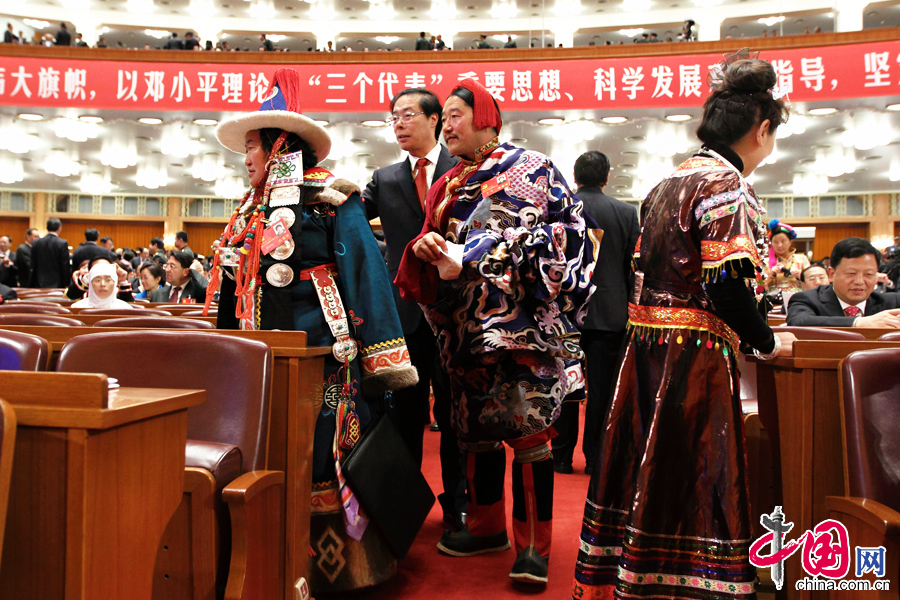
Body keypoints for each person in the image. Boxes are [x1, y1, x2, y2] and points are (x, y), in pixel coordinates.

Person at [572, 56, 797, 600]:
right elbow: (724, 286)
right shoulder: (726, 183)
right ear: (762, 130)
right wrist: (765, 342)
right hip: (692, 354)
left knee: (649, 468)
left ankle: (639, 576)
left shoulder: (671, 178)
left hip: (646, 348)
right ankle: (693, 585)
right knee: (697, 471)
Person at [206, 68, 417, 593]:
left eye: (253, 147)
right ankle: (268, 557)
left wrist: (384, 361)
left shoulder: (331, 200)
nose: (247, 158)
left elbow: (366, 274)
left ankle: (339, 569)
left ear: (281, 146)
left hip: (324, 360)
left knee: (325, 453)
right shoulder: (248, 212)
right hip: (260, 360)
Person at [395, 78, 598, 584]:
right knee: (474, 431)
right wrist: (428, 252)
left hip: (524, 332)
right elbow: (435, 243)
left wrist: (484, 252)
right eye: (444, 118)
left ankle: (535, 547)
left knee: (529, 432)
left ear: (486, 116)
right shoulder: (447, 185)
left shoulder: (533, 167)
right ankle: (485, 526)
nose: (448, 125)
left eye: (456, 114)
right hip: (462, 332)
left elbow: (569, 240)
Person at [363, 87, 466, 530]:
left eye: (407, 115)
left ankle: (457, 504)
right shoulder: (385, 179)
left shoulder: (464, 170)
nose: (399, 123)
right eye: (394, 117)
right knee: (403, 415)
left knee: (453, 415)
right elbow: (350, 219)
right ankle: (403, 508)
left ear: (435, 119)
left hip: (456, 315)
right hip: (402, 317)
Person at [550, 151, 639, 476]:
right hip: (611, 314)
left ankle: (560, 456)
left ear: (575, 177)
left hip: (565, 314)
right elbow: (634, 269)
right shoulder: (626, 212)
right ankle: (596, 455)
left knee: (566, 386)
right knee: (603, 389)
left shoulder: (558, 210)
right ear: (606, 177)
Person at [786, 237, 900, 327]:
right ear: (831, 274)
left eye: (868, 274)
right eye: (851, 274)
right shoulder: (807, 300)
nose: (859, 282)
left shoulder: (892, 303)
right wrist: (858, 323)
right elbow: (799, 322)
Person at [765, 219, 809, 295]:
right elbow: (758, 285)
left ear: (790, 242)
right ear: (771, 243)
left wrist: (801, 275)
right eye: (775, 242)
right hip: (773, 298)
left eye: (783, 241)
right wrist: (770, 273)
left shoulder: (802, 258)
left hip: (798, 297)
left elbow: (811, 280)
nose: (780, 245)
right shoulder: (765, 262)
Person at [30, 217, 70, 288]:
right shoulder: (62, 243)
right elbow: (65, 265)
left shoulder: (36, 242)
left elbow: (33, 263)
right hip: (57, 282)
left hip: (38, 280)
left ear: (46, 228)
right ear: (59, 228)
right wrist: (66, 283)